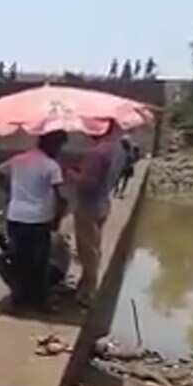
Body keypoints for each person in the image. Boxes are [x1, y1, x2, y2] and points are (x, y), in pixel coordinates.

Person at [0, 131, 68, 311]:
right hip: (38, 219)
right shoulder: (51, 166)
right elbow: (60, 197)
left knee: (19, 259)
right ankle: (40, 302)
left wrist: (10, 191)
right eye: (59, 145)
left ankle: (18, 299)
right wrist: (57, 218)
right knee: (39, 262)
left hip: (15, 217)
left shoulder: (19, 159)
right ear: (52, 144)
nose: (60, 150)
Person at [72, 122, 123, 306]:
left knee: (87, 251)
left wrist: (71, 174)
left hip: (88, 206)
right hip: (103, 202)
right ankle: (85, 285)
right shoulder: (117, 149)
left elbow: (88, 183)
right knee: (94, 247)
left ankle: (88, 293)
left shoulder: (97, 153)